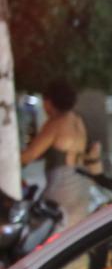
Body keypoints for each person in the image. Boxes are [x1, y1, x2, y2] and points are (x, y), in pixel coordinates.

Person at [20, 81, 95, 228]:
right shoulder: (77, 120)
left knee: (47, 230)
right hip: (81, 183)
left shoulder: (55, 123)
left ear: (49, 102)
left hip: (61, 185)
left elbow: (29, 156)